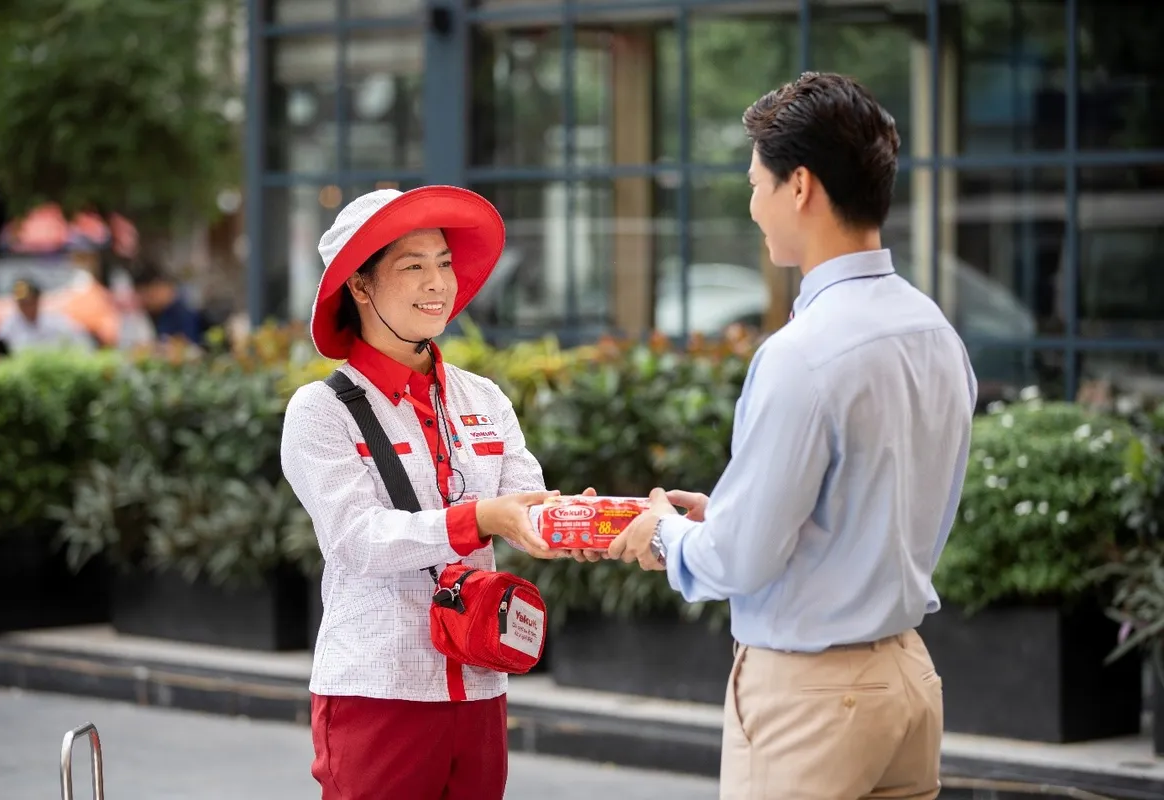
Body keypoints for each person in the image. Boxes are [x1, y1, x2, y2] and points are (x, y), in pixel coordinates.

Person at [609, 72, 978, 800]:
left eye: (757, 184)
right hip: (905, 680)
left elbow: (741, 559)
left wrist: (663, 534)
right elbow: (876, 513)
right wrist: (727, 517)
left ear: (800, 186)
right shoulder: (934, 332)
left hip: (812, 697)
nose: (753, 207)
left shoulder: (801, 353)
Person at [280, 186, 562, 800]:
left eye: (443, 262)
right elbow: (358, 540)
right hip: (379, 689)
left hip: (481, 681)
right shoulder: (320, 411)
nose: (439, 282)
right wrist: (482, 518)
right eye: (413, 266)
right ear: (359, 286)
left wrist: (575, 524)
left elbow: (526, 502)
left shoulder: (484, 398)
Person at [0, 277, 94, 355]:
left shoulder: (56, 322)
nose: (26, 307)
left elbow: (83, 343)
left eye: (29, 302)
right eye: (22, 303)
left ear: (38, 300)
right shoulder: (8, 327)